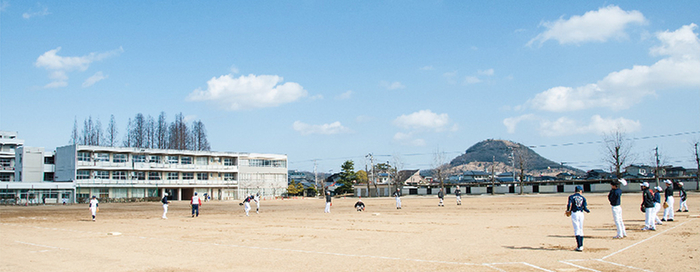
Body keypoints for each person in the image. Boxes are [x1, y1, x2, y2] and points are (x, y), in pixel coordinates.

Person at [566, 186, 590, 251]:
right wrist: (588, 211)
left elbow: (569, 205)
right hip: (581, 213)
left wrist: (568, 210)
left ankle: (579, 246)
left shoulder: (571, 197)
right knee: (581, 228)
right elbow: (585, 208)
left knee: (576, 229)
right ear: (580, 191)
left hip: (574, 213)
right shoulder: (583, 198)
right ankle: (581, 245)